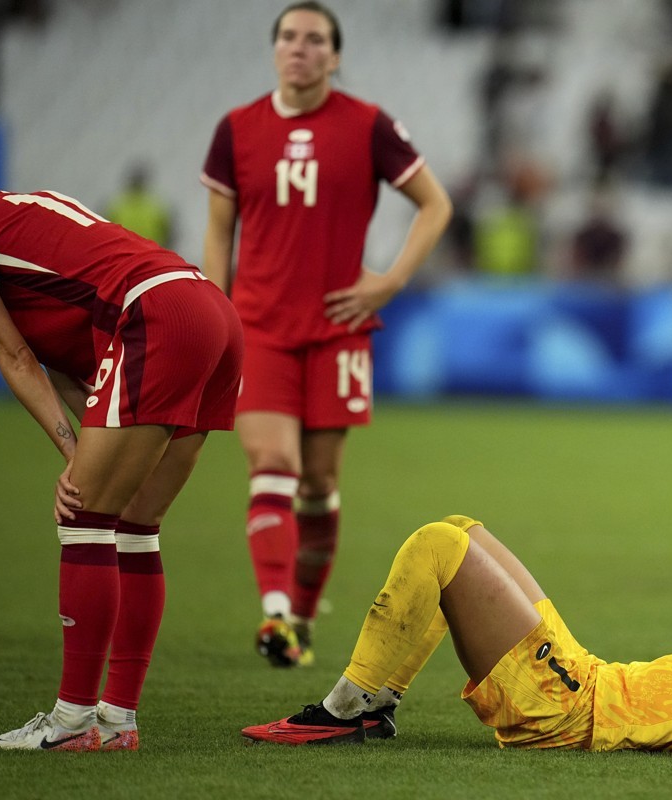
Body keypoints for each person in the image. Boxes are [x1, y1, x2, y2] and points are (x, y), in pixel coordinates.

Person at [241, 515, 672, 756]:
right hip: (585, 676)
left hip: (566, 708)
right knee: (463, 528)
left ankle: (345, 709)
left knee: (436, 546)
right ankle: (380, 702)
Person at [200, 1, 452, 670]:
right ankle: (277, 614)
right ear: (274, 48)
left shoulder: (368, 126)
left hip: (338, 328)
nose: (300, 48)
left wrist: (390, 280)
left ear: (334, 56)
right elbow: (220, 232)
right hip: (260, 325)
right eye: (289, 36)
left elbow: (436, 203)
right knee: (273, 464)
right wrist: (215, 312)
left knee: (319, 483)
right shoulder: (237, 129)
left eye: (315, 39)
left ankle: (303, 616)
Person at [0, 189, 243, 750]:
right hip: (208, 309)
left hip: (157, 314)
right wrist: (86, 455)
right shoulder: (8, 212)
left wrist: (74, 457)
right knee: (136, 526)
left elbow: (14, 357)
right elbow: (80, 371)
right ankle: (117, 720)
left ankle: (70, 723)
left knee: (84, 516)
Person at [105, 162, 176, 248]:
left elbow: (104, 233)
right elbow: (170, 235)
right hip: (149, 252)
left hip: (126, 253)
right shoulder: (158, 206)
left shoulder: (115, 206)